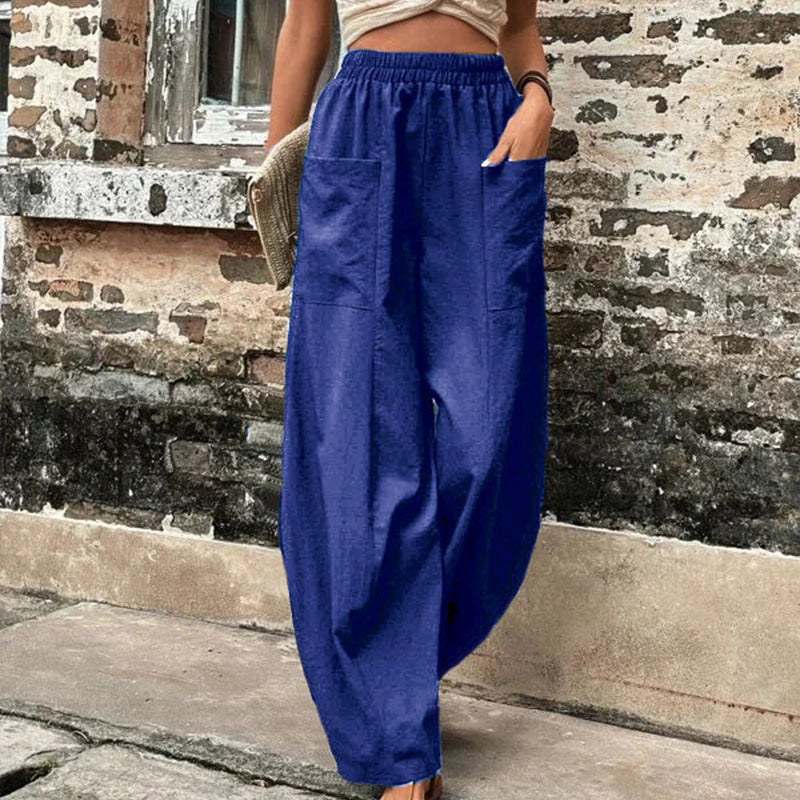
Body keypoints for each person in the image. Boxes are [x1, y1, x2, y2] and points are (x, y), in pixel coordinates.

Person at [269, 2, 553, 798]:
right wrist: (274, 183)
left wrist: (538, 97)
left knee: (490, 433)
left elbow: (519, 27)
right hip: (361, 127)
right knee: (359, 438)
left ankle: (395, 668)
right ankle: (402, 750)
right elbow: (304, 27)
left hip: (485, 132)